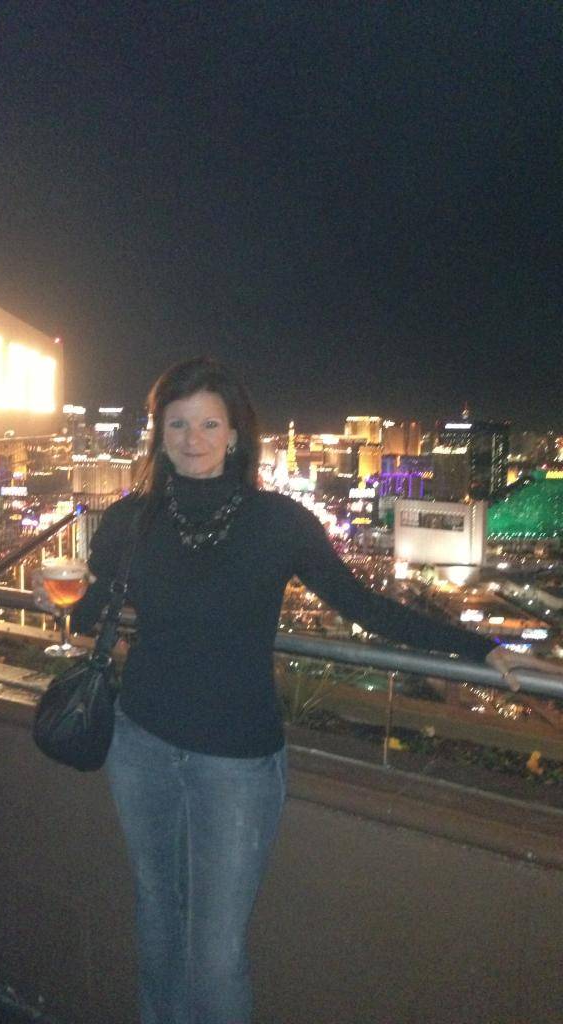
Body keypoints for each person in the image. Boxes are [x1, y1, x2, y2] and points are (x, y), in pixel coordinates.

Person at [35, 356, 535, 1024]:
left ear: (236, 434)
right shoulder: (131, 519)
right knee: (156, 923)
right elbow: (97, 607)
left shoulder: (279, 523)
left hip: (235, 763)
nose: (192, 437)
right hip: (140, 743)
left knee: (214, 956)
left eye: (209, 422)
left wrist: (482, 647)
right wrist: (57, 599)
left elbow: (365, 607)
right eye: (177, 423)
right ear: (158, 433)